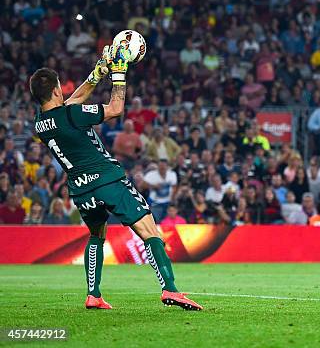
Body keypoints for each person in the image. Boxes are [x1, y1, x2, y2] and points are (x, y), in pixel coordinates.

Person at [29, 46, 201, 310]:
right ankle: (170, 289)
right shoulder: (70, 114)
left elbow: (70, 105)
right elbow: (115, 108)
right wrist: (119, 74)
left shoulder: (41, 122)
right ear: (55, 90)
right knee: (149, 229)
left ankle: (93, 294)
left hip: (80, 190)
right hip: (107, 180)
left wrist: (96, 74)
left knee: (97, 234)